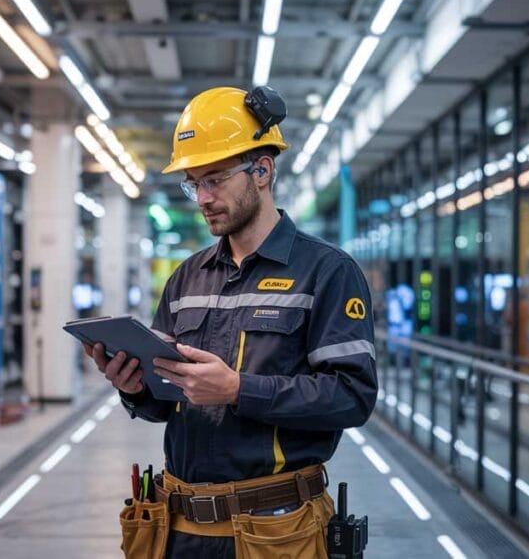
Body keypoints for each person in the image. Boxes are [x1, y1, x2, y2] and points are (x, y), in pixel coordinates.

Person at [84, 86, 378, 559]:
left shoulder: (327, 272)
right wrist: (134, 385)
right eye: (194, 183)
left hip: (276, 534)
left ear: (262, 170)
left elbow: (352, 397)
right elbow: (168, 404)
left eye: (215, 179)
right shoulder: (187, 277)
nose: (202, 197)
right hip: (177, 529)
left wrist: (239, 389)